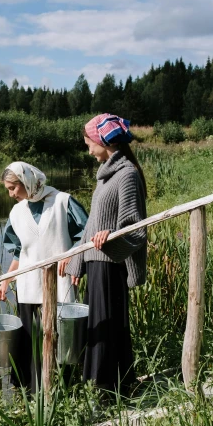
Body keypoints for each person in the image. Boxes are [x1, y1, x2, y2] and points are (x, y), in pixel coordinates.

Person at [66, 113, 148, 393]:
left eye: (89, 142)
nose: (88, 149)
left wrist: (110, 238)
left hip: (111, 264)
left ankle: (106, 390)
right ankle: (106, 388)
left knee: (109, 327)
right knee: (98, 327)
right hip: (97, 263)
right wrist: (77, 261)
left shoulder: (126, 176)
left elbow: (135, 229)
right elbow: (91, 225)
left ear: (103, 141)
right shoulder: (105, 177)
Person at [0, 161, 88, 392]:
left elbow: (86, 234)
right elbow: (20, 252)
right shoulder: (17, 213)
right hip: (28, 288)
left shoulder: (63, 202)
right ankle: (34, 393)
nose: (10, 194)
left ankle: (65, 390)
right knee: (32, 342)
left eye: (13, 188)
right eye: (8, 189)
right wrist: (6, 280)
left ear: (27, 181)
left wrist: (73, 255)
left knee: (62, 340)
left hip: (60, 285)